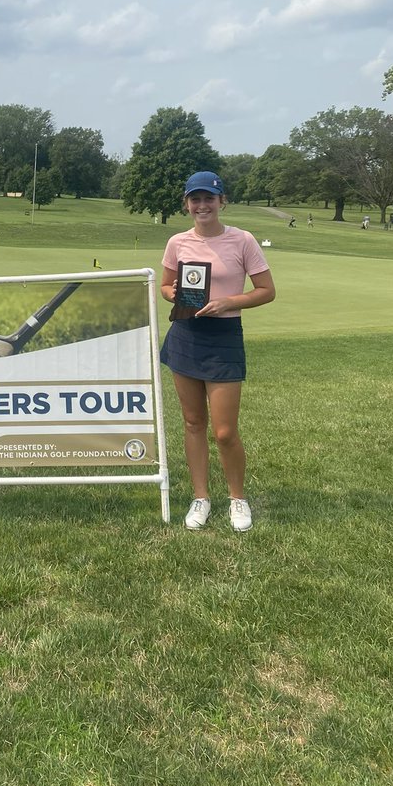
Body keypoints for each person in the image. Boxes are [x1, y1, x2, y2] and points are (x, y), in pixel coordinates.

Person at [159, 172, 275, 532]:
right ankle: (201, 498)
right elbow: (165, 286)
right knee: (193, 423)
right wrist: (174, 292)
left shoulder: (242, 240)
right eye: (195, 199)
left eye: (209, 198)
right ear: (186, 204)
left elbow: (266, 290)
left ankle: (237, 499)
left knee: (225, 431)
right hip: (186, 333)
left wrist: (228, 302)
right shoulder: (177, 242)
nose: (202, 205)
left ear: (222, 201)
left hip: (224, 336)